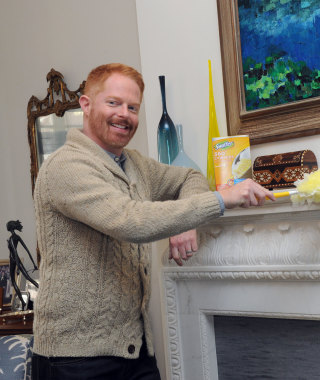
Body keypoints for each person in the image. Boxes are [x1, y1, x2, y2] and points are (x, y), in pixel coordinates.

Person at [32, 63, 274, 380]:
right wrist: (220, 200)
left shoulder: (135, 165)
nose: (125, 114)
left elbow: (190, 177)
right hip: (74, 359)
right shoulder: (66, 166)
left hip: (136, 351)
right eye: (114, 103)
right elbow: (130, 220)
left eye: (133, 107)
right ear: (87, 104)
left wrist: (187, 220)